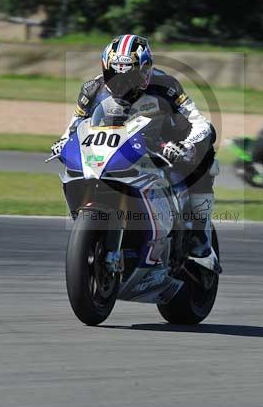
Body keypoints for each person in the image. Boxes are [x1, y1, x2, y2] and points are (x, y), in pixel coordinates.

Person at [50, 34, 219, 269]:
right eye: (114, 74)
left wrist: (186, 145)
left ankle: (200, 238)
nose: (120, 82)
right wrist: (62, 143)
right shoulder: (91, 89)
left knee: (206, 144)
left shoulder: (167, 86)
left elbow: (198, 122)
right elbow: (73, 127)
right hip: (119, 147)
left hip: (164, 139)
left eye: (128, 75)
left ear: (145, 69)